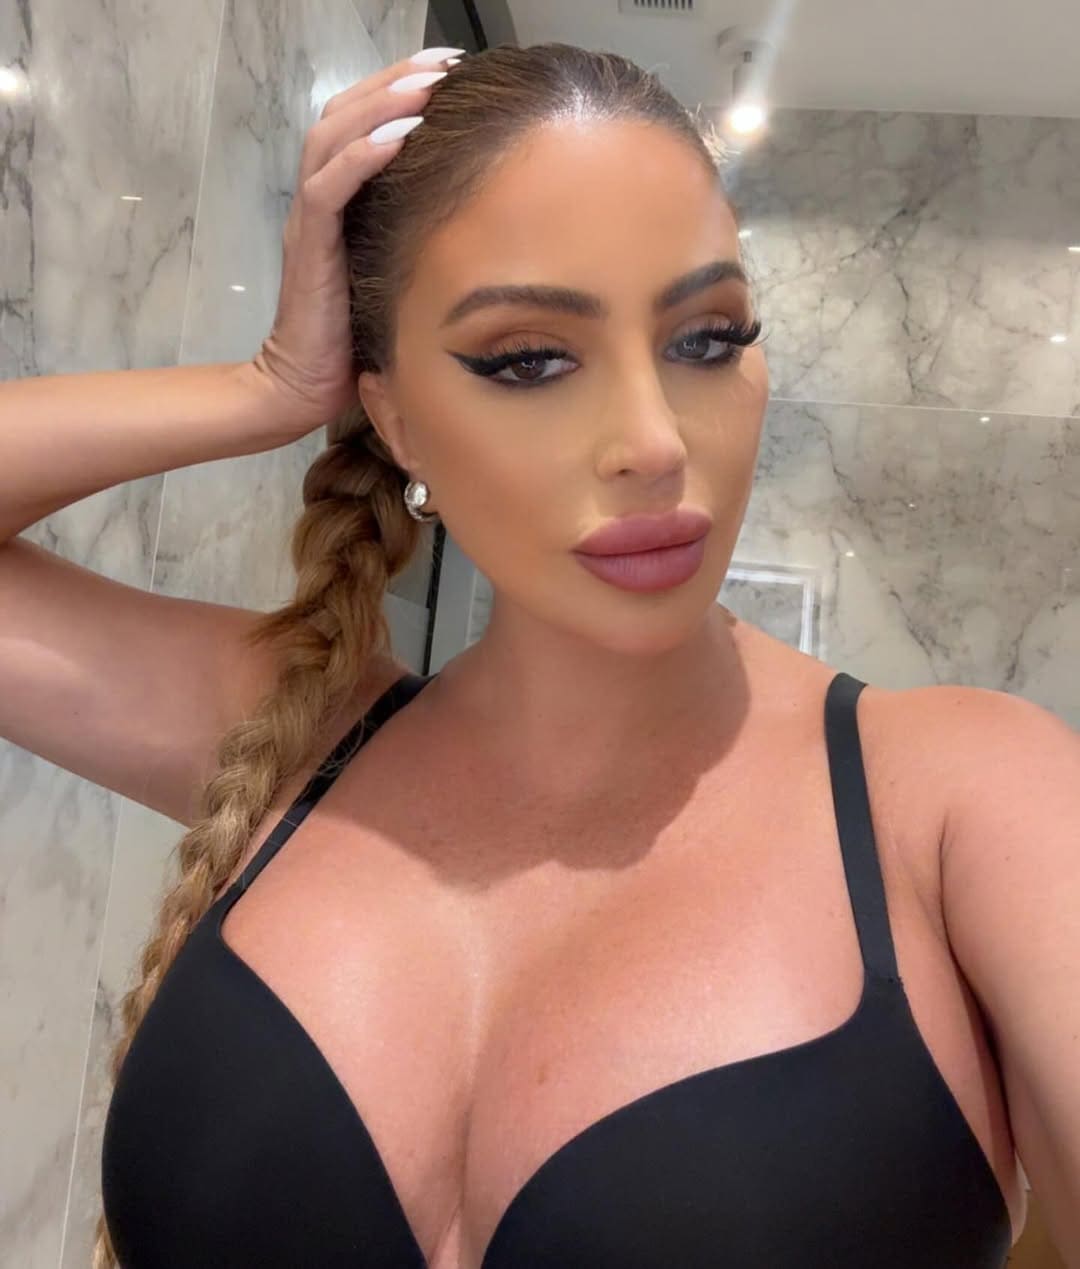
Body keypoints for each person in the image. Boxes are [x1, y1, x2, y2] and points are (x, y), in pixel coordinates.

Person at [1, 39, 1077, 1269]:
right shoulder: (291, 731)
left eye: (707, 338)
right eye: (528, 359)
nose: (652, 442)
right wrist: (269, 388)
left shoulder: (968, 803)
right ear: (394, 416)